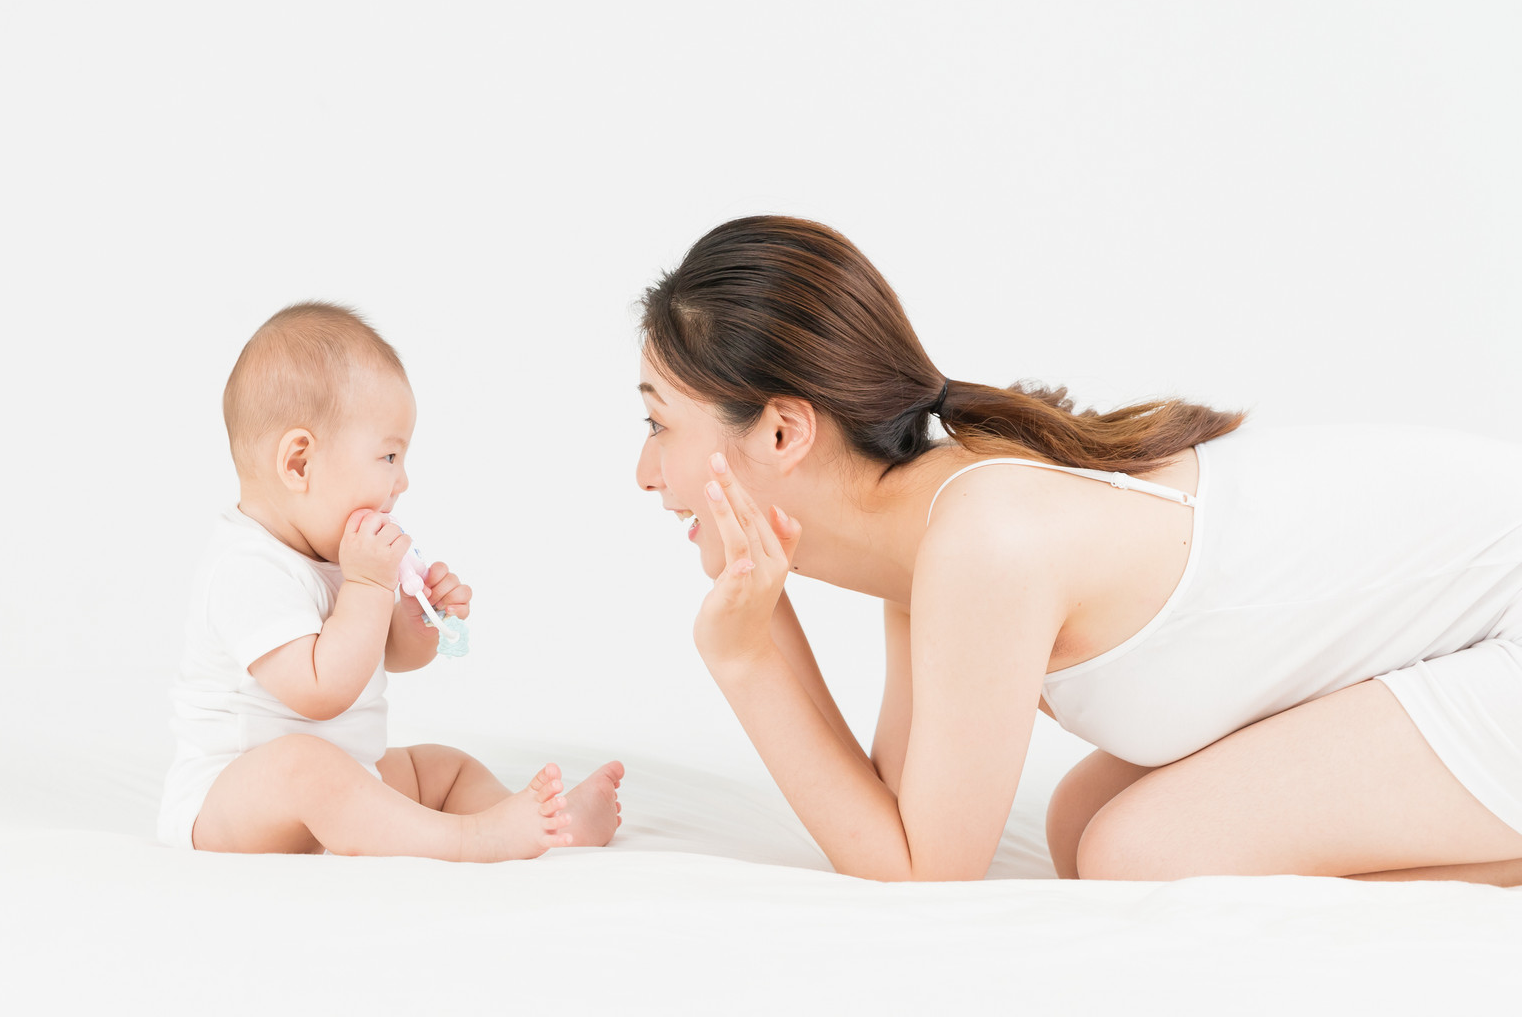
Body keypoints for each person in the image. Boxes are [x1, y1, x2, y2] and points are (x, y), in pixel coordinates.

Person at [634, 215, 1522, 883]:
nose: (645, 473)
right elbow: (908, 816)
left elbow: (922, 872)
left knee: (1138, 851)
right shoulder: (929, 538)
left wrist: (747, 653)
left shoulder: (986, 537)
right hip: (1475, 627)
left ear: (784, 431)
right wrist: (766, 616)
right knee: (1083, 823)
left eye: (658, 424)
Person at [160, 301, 623, 859]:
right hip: (230, 802)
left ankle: (545, 822)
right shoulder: (245, 568)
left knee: (441, 769)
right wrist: (370, 588)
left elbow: (383, 660)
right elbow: (322, 692)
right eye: (387, 455)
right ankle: (468, 838)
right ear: (300, 464)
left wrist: (415, 623)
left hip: (350, 775)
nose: (402, 480)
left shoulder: (334, 554)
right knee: (306, 764)